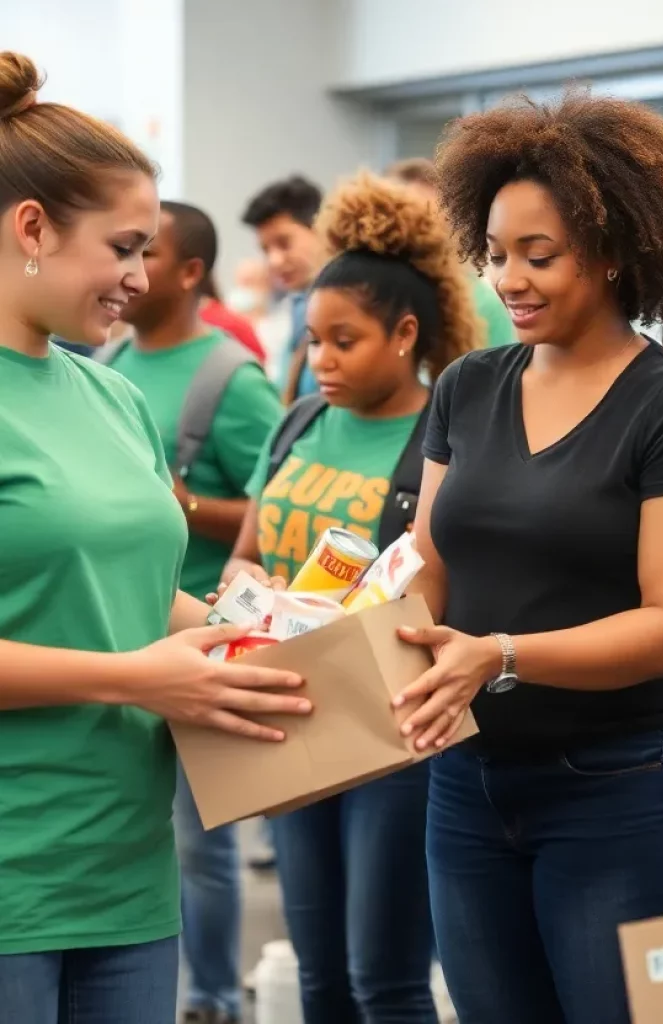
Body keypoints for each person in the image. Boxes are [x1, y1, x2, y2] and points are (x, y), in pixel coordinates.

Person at [389, 90, 663, 1024]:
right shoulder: (468, 386)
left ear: (618, 248)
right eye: (498, 255)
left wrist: (500, 654)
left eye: (538, 257)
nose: (510, 279)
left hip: (617, 792)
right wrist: (377, 629)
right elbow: (429, 558)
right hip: (465, 783)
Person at [0, 51, 310, 1024]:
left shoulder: (112, 394)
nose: (142, 277)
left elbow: (135, 593)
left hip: (127, 873)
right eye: (124, 247)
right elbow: (130, 649)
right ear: (33, 227)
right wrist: (140, 677)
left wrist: (257, 632)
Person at [224, 172, 479, 1024]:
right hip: (288, 711)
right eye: (314, 340)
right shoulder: (297, 421)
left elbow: (443, 590)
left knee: (386, 978)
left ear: (407, 333)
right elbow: (246, 554)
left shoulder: (441, 440)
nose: (322, 361)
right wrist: (248, 589)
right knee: (319, 976)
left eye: (346, 341)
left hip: (386, 729)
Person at [111, 200, 284, 1024]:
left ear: (186, 273)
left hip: (200, 640)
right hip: (127, 652)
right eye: (120, 247)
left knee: (203, 845)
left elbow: (271, 502)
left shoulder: (229, 378)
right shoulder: (106, 364)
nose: (132, 271)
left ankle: (212, 997)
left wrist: (190, 506)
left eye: (146, 250)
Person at [386, 157, 517, 351]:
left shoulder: (482, 307)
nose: (413, 230)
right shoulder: (369, 294)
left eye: (428, 218)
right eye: (400, 215)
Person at [242, 174, 324, 401]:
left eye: (284, 243)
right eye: (266, 250)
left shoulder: (355, 302)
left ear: (320, 228)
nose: (274, 261)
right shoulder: (296, 307)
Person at [198, 272, 268, 364]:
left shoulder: (230, 322)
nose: (244, 288)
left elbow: (258, 362)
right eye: (243, 281)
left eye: (250, 282)